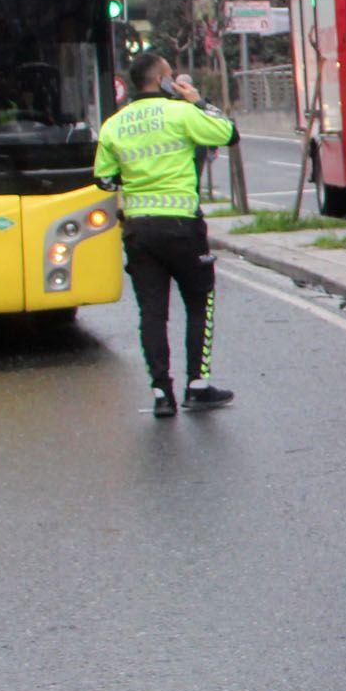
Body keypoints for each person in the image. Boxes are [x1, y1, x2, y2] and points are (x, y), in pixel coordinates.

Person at [93, 53, 238, 419]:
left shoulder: (113, 125)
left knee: (152, 313)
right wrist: (196, 99)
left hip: (139, 229)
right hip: (181, 226)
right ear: (161, 81)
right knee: (198, 303)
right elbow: (228, 133)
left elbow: (104, 179)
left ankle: (161, 393)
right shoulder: (182, 113)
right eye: (171, 77)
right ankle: (197, 385)